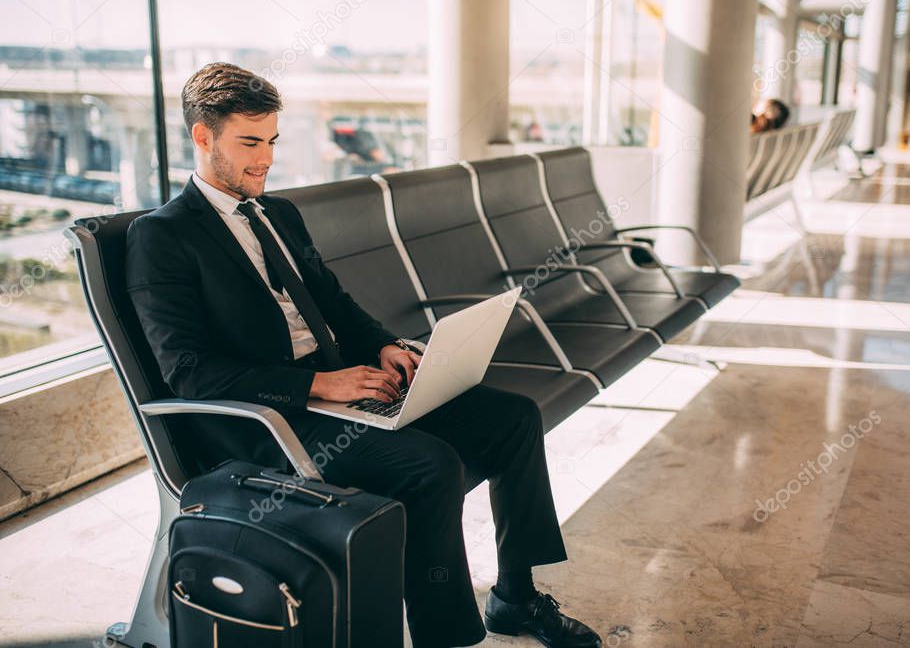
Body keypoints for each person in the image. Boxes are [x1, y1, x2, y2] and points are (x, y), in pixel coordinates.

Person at [125, 62, 601, 648]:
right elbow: (189, 373)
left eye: (271, 141)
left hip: (337, 391)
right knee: (430, 464)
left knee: (512, 417)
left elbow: (335, 303)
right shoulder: (162, 237)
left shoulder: (279, 214)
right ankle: (445, 635)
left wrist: (383, 345)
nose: (265, 160)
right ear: (203, 137)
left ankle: (515, 598)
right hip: (265, 419)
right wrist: (321, 387)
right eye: (249, 143)